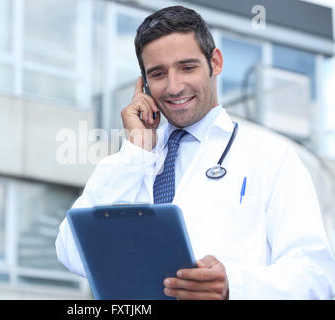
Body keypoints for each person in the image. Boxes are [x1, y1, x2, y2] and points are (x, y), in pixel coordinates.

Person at [55, 5, 335, 299]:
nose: (175, 87)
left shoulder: (271, 155)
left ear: (215, 62)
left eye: (187, 67)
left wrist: (234, 285)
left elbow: (317, 277)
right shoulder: (132, 160)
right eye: (158, 73)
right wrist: (135, 152)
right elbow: (71, 252)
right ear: (144, 84)